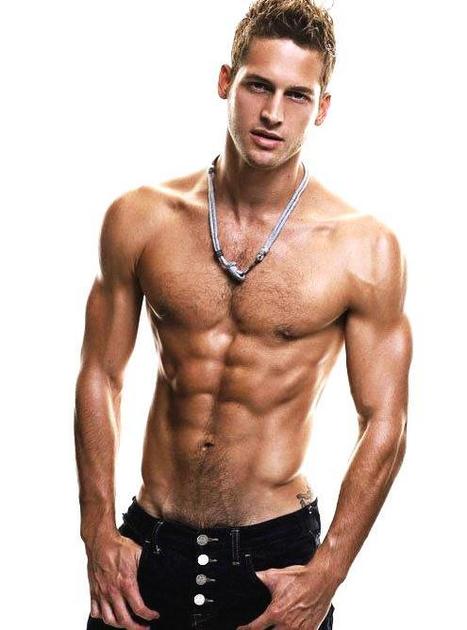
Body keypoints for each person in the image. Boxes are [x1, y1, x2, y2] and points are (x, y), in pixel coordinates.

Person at [74, 1, 413, 628]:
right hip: (147, 551)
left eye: (297, 95)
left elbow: (385, 420)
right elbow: (101, 374)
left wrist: (328, 571)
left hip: (274, 563)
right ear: (225, 81)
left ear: (322, 108)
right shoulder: (141, 219)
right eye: (259, 85)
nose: (273, 113)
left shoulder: (363, 248)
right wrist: (97, 532)